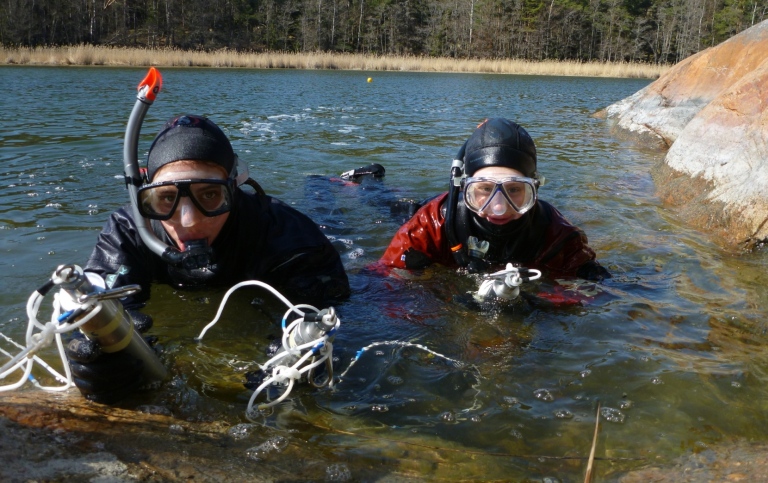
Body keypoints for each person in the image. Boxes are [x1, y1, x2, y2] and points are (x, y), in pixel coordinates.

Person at [66, 114, 350, 403]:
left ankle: (326, 186)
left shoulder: (290, 236)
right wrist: (101, 361)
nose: (188, 221)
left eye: (210, 194)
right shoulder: (128, 231)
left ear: (234, 187)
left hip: (301, 239)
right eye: (166, 198)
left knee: (331, 216)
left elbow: (334, 317)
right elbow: (90, 313)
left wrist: (297, 358)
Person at [378, 117, 610, 282]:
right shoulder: (431, 222)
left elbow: (592, 290)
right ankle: (364, 181)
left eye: (515, 190)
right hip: (415, 209)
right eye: (484, 189)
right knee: (382, 201)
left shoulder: (556, 234)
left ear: (534, 189)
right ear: (464, 187)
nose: (499, 208)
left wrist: (537, 303)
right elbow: (383, 278)